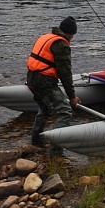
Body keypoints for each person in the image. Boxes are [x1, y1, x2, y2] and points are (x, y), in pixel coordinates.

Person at [26, 16, 81, 157]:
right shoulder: (61, 45)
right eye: (73, 35)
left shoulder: (46, 37)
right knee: (65, 111)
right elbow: (65, 73)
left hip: (32, 79)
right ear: (70, 33)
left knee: (45, 109)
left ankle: (36, 141)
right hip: (45, 82)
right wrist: (72, 96)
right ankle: (55, 151)